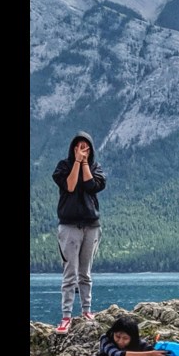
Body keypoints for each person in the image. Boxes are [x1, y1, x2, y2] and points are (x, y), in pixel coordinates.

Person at [53, 131, 107, 335]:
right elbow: (70, 185)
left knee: (85, 273)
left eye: (86, 146)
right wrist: (76, 162)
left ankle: (86, 311)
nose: (82, 150)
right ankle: (66, 316)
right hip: (68, 225)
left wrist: (85, 164)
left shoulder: (96, 169)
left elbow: (91, 186)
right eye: (79, 146)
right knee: (70, 273)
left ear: (91, 149)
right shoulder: (63, 167)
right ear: (73, 148)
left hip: (91, 225)